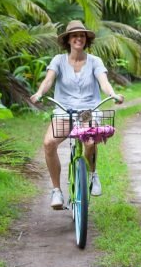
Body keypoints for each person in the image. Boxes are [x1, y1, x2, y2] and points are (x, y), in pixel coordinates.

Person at [30, 20, 124, 209]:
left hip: (88, 112)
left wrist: (112, 94)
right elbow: (49, 80)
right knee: (49, 143)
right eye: (74, 36)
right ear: (68, 40)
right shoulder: (58, 60)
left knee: (89, 142)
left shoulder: (95, 61)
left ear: (86, 39)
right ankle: (56, 190)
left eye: (81, 35)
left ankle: (92, 174)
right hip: (64, 111)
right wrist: (40, 93)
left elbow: (103, 82)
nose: (78, 39)